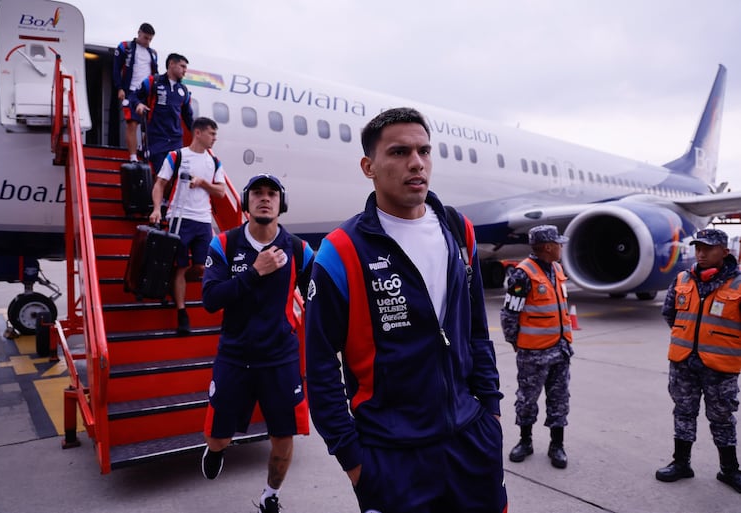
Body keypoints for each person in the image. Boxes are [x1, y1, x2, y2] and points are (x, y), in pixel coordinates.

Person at [304, 107, 507, 513]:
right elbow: (319, 362)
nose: (416, 162)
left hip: (472, 440)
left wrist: (492, 415)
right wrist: (353, 459)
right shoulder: (341, 251)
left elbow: (476, 333)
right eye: (398, 152)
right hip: (390, 456)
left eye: (424, 151)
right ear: (369, 167)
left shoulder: (457, 229)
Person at [200, 173, 315, 513]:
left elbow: (317, 299)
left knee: (283, 439)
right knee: (219, 436)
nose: (265, 198)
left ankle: (269, 495)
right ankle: (217, 450)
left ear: (282, 204)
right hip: (234, 356)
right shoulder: (225, 244)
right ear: (247, 202)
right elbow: (210, 299)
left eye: (272, 194)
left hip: (280, 359)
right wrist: (254, 271)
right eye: (258, 193)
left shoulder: (299, 250)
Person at [656, 228, 741, 493]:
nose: (701, 253)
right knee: (683, 412)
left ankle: (729, 470)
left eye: (708, 248)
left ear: (725, 252)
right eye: (698, 247)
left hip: (720, 367)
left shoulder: (738, 283)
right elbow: (670, 314)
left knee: (722, 417)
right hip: (683, 363)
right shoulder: (682, 278)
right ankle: (681, 463)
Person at [500, 224, 573, 469]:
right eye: (558, 243)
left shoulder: (556, 268)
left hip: (560, 350)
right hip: (533, 353)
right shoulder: (522, 274)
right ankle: (525, 441)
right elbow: (510, 313)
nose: (562, 247)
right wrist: (516, 343)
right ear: (548, 247)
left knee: (559, 399)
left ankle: (557, 445)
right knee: (527, 399)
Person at [149, 117, 226, 334]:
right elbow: (160, 183)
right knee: (181, 266)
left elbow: (220, 192)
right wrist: (156, 209)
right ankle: (182, 313)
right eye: (211, 134)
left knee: (203, 267)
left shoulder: (214, 161)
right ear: (198, 133)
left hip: (203, 219)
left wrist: (202, 183)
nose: (214, 139)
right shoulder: (177, 155)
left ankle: (173, 283)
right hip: (179, 217)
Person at [131, 52, 194, 176]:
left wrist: (197, 133)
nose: (185, 71)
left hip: (175, 140)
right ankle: (158, 195)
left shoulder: (184, 90)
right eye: (182, 66)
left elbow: (188, 117)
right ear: (171, 64)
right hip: (156, 138)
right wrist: (138, 104)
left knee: (175, 176)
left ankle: (165, 196)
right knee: (161, 174)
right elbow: (133, 96)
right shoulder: (153, 81)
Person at [112, 22, 158, 162]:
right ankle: (133, 157)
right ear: (139, 33)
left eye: (150, 39)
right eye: (145, 38)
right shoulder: (125, 47)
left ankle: (143, 149)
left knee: (150, 124)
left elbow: (155, 73)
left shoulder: (153, 54)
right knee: (132, 123)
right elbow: (116, 68)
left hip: (148, 93)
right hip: (131, 91)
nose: (147, 41)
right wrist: (119, 87)